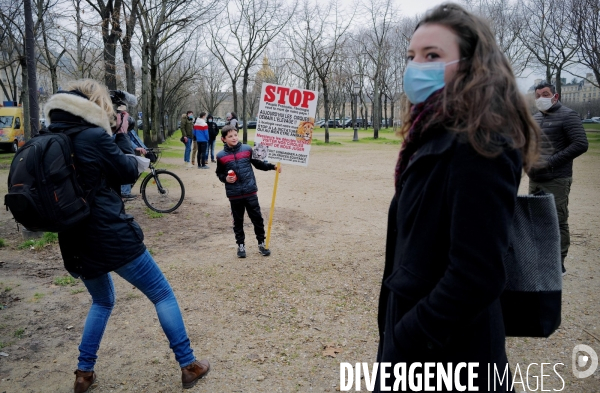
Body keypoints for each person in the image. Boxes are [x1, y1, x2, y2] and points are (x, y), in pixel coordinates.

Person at [375, 4, 540, 392]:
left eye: (433, 55)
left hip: (449, 350)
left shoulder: (481, 143)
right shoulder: (431, 131)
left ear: (471, 65)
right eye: (412, 56)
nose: (417, 66)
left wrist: (407, 335)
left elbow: (476, 275)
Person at [43, 79, 210, 392]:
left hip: (74, 237)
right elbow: (126, 172)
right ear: (94, 104)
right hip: (110, 233)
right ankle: (189, 364)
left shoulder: (51, 135)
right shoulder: (93, 135)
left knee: (102, 301)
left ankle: (84, 373)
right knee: (162, 293)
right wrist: (122, 141)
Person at [528, 81, 589, 275]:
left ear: (555, 96)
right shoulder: (535, 117)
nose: (541, 98)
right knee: (535, 219)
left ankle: (557, 263)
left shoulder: (569, 115)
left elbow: (580, 144)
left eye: (545, 94)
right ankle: (539, 260)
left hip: (557, 178)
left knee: (557, 220)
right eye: (538, 95)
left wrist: (551, 161)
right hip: (535, 177)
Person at [215, 125, 281, 258]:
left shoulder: (247, 149)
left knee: (257, 218)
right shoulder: (220, 156)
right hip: (234, 195)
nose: (234, 138)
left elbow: (258, 164)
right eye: (230, 136)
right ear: (223, 139)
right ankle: (240, 245)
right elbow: (219, 173)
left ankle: (261, 243)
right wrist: (226, 178)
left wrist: (273, 167)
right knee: (238, 221)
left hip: (250, 192)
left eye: (235, 135)